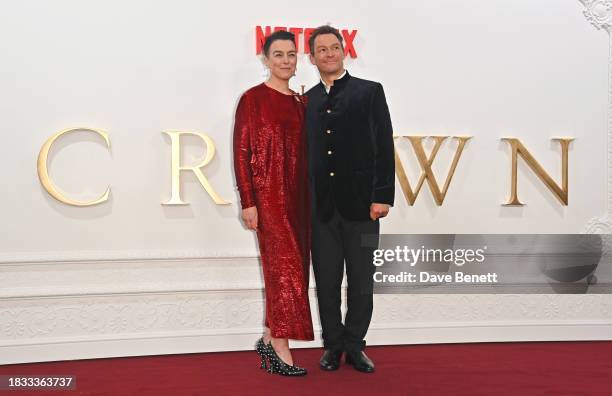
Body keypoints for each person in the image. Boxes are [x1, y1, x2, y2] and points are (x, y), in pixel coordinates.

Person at [306, 25, 395, 373]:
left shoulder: (369, 92)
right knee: (326, 282)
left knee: (361, 282)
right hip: (321, 210)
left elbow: (383, 146)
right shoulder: (307, 100)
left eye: (334, 47)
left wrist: (382, 196)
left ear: (345, 51)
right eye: (321, 50)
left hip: (362, 207)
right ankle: (333, 346)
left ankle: (356, 345)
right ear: (312, 57)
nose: (329, 54)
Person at [233, 30, 313, 377]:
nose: (285, 60)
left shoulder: (302, 103)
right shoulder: (252, 99)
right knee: (282, 271)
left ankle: (269, 336)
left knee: (295, 271)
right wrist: (249, 201)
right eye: (278, 54)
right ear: (265, 60)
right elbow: (242, 153)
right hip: (268, 199)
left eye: (291, 55)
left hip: (302, 201)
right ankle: (280, 345)